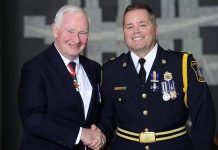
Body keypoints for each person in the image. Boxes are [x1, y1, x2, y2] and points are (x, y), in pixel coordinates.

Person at [99, 3, 216, 150]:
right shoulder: (110, 69)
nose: (136, 31)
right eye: (129, 27)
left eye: (142, 25)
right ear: (123, 32)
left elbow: (203, 116)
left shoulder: (182, 64)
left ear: (156, 29)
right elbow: (106, 119)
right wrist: (99, 137)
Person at [18, 4, 105, 150]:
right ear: (55, 30)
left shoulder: (94, 68)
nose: (76, 39)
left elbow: (101, 113)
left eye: (82, 32)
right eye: (70, 31)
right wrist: (80, 134)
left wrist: (101, 135)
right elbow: (33, 120)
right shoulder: (35, 68)